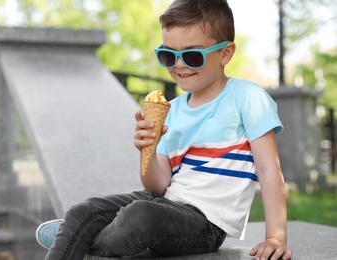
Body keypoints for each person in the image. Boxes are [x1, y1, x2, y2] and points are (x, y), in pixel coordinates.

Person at [36, 0, 293, 259]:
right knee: (83, 211)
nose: (179, 65)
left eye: (192, 55)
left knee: (139, 216)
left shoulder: (247, 97)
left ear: (225, 53)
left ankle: (77, 239)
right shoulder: (172, 109)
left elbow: (269, 169)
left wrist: (275, 236)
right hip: (163, 203)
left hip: (206, 223)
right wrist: (146, 150)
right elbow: (158, 186)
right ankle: (77, 233)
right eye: (168, 55)